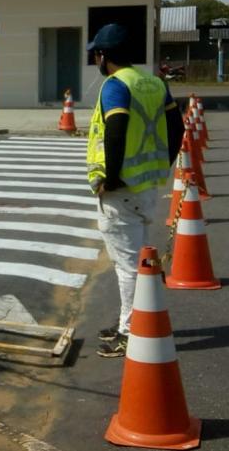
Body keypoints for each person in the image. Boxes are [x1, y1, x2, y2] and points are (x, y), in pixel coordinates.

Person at [86, 24, 184, 358]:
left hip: (122, 188)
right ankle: (138, 320)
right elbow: (178, 126)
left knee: (128, 265)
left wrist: (111, 177)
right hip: (146, 185)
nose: (97, 59)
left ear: (105, 55)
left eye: (97, 53)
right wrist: (165, 163)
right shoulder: (153, 82)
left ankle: (131, 332)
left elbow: (115, 129)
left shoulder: (116, 85)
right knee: (141, 260)